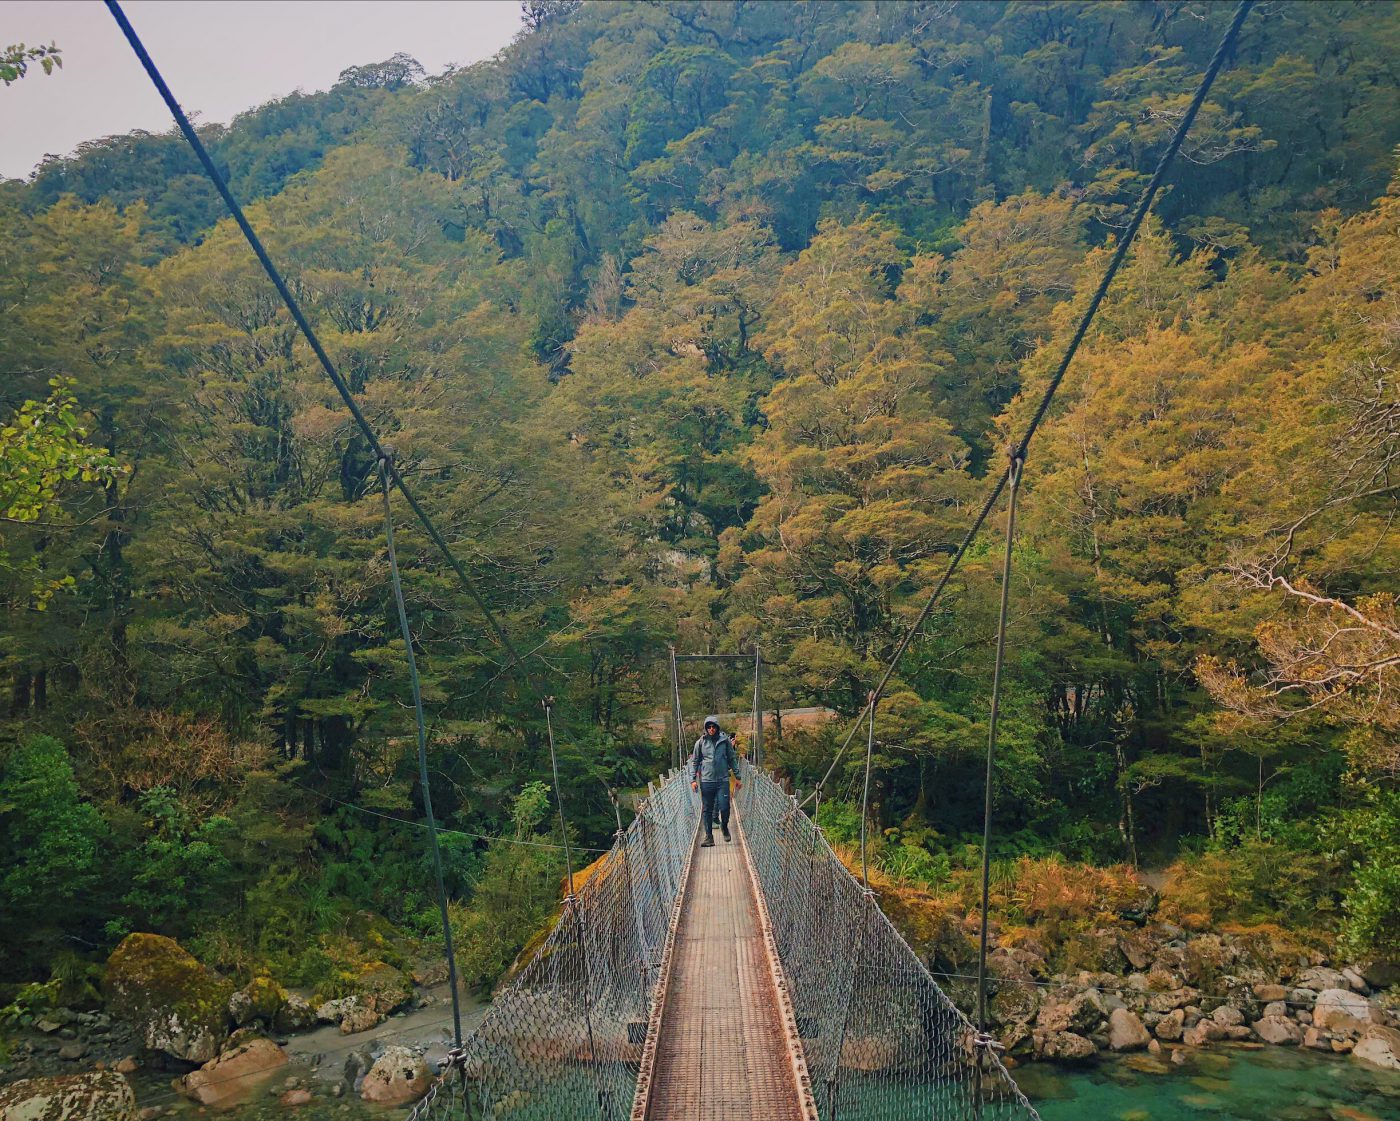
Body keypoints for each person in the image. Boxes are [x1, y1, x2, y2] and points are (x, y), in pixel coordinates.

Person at [690, 715, 740, 847]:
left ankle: (724, 826)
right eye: (709, 727)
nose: (711, 729)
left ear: (717, 728)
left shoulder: (725, 742)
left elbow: (732, 759)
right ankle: (709, 837)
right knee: (707, 809)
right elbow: (695, 762)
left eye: (713, 727)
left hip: (722, 780)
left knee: (725, 807)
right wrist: (692, 779)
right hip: (706, 781)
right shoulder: (700, 743)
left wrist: (738, 777)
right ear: (706, 728)